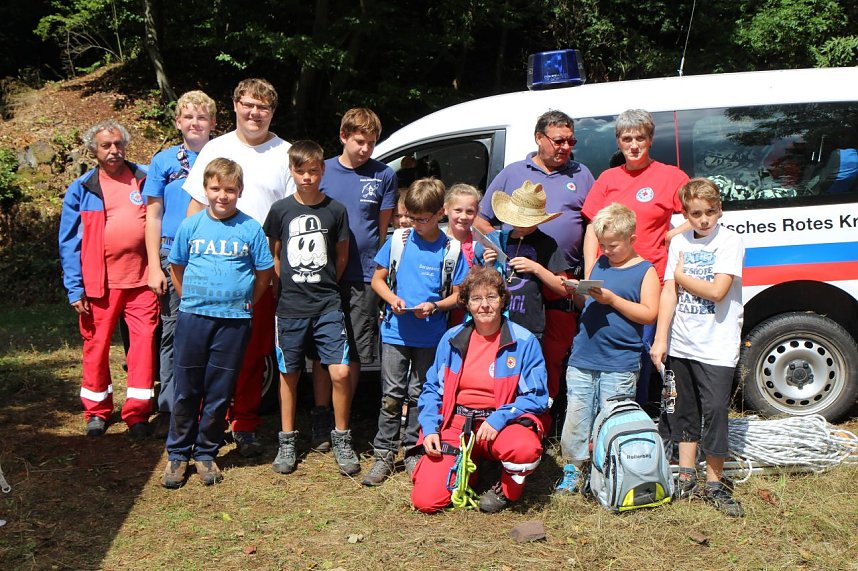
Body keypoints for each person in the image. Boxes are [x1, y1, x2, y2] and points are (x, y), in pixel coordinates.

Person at [184, 78, 295, 457]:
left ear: (272, 112)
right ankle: (202, 423)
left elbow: (289, 219)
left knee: (251, 351)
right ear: (234, 105)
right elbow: (196, 209)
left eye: (263, 107)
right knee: (205, 354)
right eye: (248, 104)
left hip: (260, 271)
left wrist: (277, 268)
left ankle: (245, 423)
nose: (254, 113)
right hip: (211, 272)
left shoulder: (286, 153)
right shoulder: (216, 148)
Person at [162, 158, 274, 488]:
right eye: (215, 188)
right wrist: (189, 300)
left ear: (239, 191)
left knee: (219, 390)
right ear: (206, 189)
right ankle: (178, 454)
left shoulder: (250, 228)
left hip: (234, 321)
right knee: (187, 388)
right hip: (194, 317)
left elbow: (265, 273)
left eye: (229, 189)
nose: (222, 196)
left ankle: (206, 453)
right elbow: (177, 266)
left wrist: (246, 301)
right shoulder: (191, 226)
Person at [475, 110, 594, 401]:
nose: (566, 147)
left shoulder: (582, 174)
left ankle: (542, 415)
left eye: (571, 141)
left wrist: (589, 276)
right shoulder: (513, 172)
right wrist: (500, 250)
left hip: (562, 281)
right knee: (510, 353)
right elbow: (481, 219)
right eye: (558, 141)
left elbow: (594, 226)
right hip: (516, 288)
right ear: (539, 138)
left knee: (550, 356)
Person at [411, 266, 549, 513]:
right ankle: (472, 466)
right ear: (467, 304)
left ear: (502, 300)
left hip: (500, 425)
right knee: (426, 501)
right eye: (476, 299)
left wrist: (500, 417)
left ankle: (505, 488)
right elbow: (432, 388)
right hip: (457, 424)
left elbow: (537, 397)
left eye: (491, 297)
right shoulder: (451, 339)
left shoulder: (524, 341)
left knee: (524, 447)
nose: (484, 305)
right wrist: (431, 427)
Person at [263, 141, 360, 476]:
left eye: (313, 171)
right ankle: (287, 440)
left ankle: (341, 436)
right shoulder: (280, 210)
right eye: (300, 171)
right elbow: (274, 254)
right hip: (290, 306)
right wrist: (286, 283)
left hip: (327, 304)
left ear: (322, 171)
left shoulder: (336, 210)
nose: (307, 177)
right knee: (289, 373)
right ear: (292, 171)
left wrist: (325, 283)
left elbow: (342, 256)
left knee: (340, 371)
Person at [650, 178, 745, 517]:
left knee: (716, 411)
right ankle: (687, 476)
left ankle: (715, 483)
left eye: (710, 212)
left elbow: (718, 291)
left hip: (716, 344)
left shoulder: (730, 241)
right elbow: (668, 292)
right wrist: (661, 338)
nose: (704, 220)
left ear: (720, 209)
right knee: (682, 410)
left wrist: (681, 275)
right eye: (695, 214)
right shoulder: (680, 242)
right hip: (682, 342)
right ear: (685, 214)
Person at [58, 120, 159, 439]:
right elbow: (69, 242)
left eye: (118, 144)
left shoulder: (145, 178)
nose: (113, 150)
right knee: (96, 347)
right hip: (98, 285)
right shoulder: (82, 188)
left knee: (142, 349)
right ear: (94, 150)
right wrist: (75, 287)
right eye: (106, 145)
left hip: (143, 282)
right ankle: (97, 411)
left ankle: (138, 412)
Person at [581, 108, 690, 402]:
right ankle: (607, 423)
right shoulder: (607, 179)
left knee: (642, 354)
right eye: (627, 138)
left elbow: (703, 212)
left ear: (650, 139)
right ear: (618, 141)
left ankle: (636, 422)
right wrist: (591, 274)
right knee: (604, 352)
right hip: (608, 281)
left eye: (640, 138)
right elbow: (593, 228)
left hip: (649, 281)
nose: (633, 145)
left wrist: (672, 234)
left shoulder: (670, 176)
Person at [364, 177, 467, 486]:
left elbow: (459, 295)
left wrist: (435, 306)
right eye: (412, 217)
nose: (417, 224)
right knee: (391, 395)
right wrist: (392, 299)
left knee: (420, 393)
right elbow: (378, 280)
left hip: (430, 336)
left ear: (441, 214)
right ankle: (383, 453)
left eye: (424, 219)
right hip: (395, 332)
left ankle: (413, 450)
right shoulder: (398, 241)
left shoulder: (450, 250)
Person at [309, 108, 397, 452]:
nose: (365, 149)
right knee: (322, 348)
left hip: (363, 274)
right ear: (343, 136)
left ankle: (342, 421)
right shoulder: (323, 169)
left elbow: (382, 227)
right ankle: (320, 414)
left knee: (357, 348)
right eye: (360, 141)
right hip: (322, 274)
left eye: (372, 143)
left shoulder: (384, 175)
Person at [556, 203, 659, 492]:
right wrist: (577, 290)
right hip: (584, 356)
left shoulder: (645, 271)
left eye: (613, 245)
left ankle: (608, 468)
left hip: (619, 360)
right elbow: (589, 303)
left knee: (611, 419)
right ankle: (573, 469)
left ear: (631, 240)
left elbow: (650, 313)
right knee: (576, 415)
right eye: (602, 245)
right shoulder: (601, 264)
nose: (606, 251)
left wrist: (612, 299)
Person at [143, 90, 216, 438]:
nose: (195, 123)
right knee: (173, 330)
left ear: (213, 123)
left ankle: (212, 409)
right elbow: (153, 214)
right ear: (178, 122)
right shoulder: (163, 162)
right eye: (188, 117)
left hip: (214, 252)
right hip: (172, 253)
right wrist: (153, 266)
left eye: (202, 117)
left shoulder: (224, 157)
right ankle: (172, 408)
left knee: (213, 332)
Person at [489, 181, 574, 400]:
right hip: (497, 321)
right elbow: (484, 280)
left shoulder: (547, 244)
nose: (520, 225)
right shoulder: (500, 238)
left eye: (526, 222)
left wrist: (536, 268)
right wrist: (487, 261)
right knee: (497, 374)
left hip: (530, 323)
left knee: (527, 376)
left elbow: (563, 287)